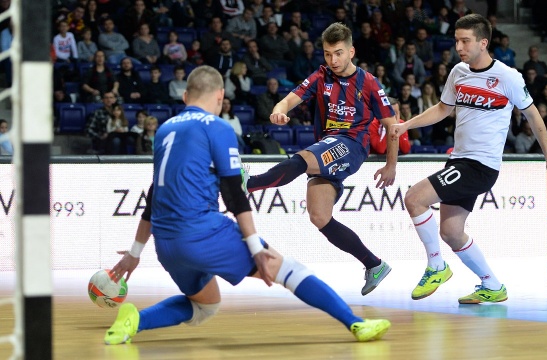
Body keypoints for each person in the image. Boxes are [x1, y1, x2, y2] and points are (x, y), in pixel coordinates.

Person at [104, 65, 390, 345]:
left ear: (185, 97)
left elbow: (154, 194)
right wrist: (256, 248)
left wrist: (134, 252)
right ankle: (356, 323)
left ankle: (134, 320)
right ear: (219, 96)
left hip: (166, 245)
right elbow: (233, 193)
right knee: (289, 271)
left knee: (205, 305)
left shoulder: (164, 130)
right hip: (203, 233)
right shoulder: (217, 127)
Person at [389, 14, 547, 303]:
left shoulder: (507, 77)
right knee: (451, 231)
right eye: (457, 40)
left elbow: (534, 117)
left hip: (480, 165)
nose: (459, 46)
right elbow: (443, 109)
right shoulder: (458, 72)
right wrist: (407, 125)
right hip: (459, 161)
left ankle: (436, 266)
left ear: (483, 42)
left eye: (465, 40)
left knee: (414, 198)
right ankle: (492, 285)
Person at [243, 23, 398, 296]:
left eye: (338, 53)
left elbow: (392, 125)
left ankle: (247, 184)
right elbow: (289, 100)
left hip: (351, 145)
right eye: (327, 54)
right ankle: (374, 264)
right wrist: (278, 111)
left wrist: (391, 165)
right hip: (327, 144)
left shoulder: (369, 82)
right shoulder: (321, 75)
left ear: (351, 51)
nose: (333, 60)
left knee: (300, 160)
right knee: (320, 217)